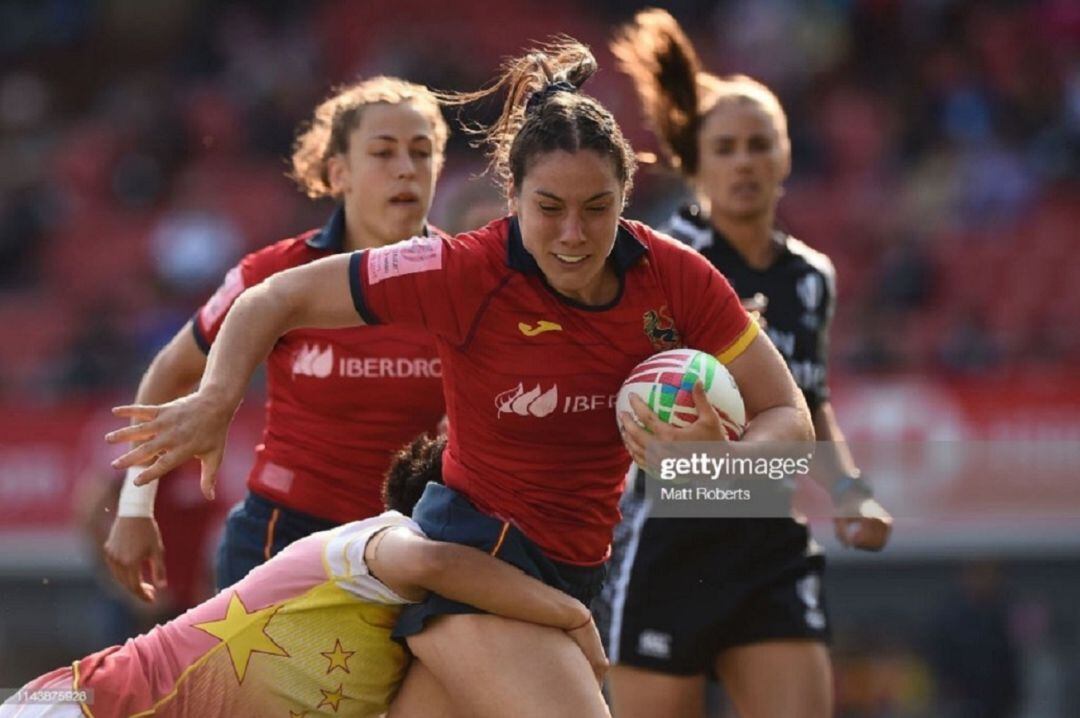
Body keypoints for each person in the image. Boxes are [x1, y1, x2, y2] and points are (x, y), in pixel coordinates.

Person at [106, 38, 813, 718]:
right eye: (549, 209)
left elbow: (789, 423)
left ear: (626, 194)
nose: (573, 233)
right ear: (511, 195)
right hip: (469, 563)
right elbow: (273, 298)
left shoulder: (676, 277)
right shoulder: (463, 270)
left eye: (597, 208)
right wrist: (216, 403)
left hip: (567, 570)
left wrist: (710, 469)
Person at [596, 10, 893, 718]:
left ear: (786, 159)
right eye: (724, 146)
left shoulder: (811, 278)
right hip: (672, 531)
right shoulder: (663, 258)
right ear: (697, 161)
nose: (744, 161)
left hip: (767, 531)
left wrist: (850, 491)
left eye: (760, 145)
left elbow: (809, 399)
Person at [103, 76, 450, 600]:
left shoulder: (466, 278)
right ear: (340, 173)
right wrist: (134, 509)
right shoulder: (275, 272)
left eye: (421, 152)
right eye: (382, 152)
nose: (406, 167)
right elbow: (171, 372)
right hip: (282, 539)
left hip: (412, 545)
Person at [1, 434, 605, 718]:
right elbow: (435, 560)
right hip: (88, 704)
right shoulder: (379, 541)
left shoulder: (416, 641)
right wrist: (572, 614)